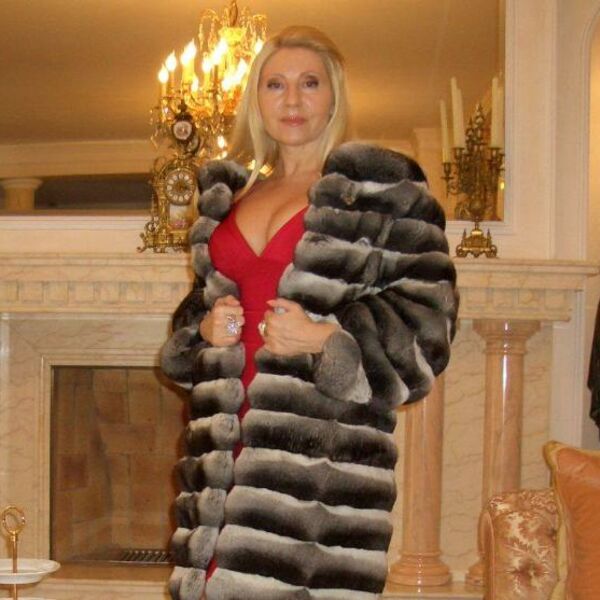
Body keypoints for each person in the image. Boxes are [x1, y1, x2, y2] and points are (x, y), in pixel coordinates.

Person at [160, 25, 459, 600]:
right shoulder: (231, 198)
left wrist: (326, 339)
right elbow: (196, 314)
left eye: (310, 83)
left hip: (319, 462)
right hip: (221, 452)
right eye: (275, 84)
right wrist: (202, 333)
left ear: (334, 95)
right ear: (256, 99)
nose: (292, 100)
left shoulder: (382, 192)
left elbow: (429, 326)